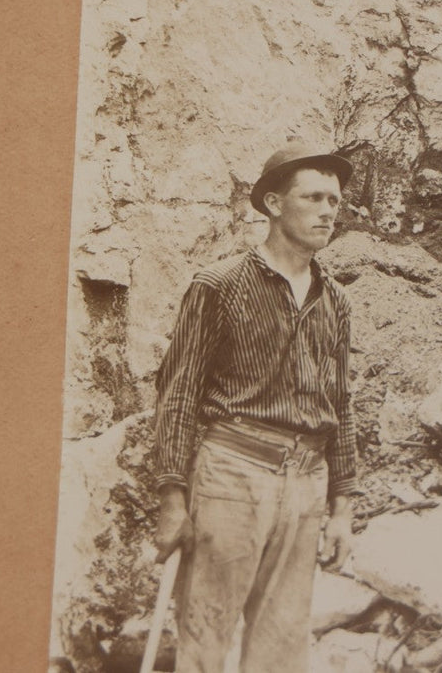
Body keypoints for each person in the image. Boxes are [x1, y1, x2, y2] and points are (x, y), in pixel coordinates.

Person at [149, 142, 357, 672]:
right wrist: (172, 496)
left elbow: (341, 402)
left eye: (335, 200)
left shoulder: (335, 299)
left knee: (283, 645)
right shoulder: (218, 285)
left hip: (306, 480)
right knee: (206, 635)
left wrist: (343, 505)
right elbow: (178, 394)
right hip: (232, 473)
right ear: (272, 203)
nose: (329, 210)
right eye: (313, 197)